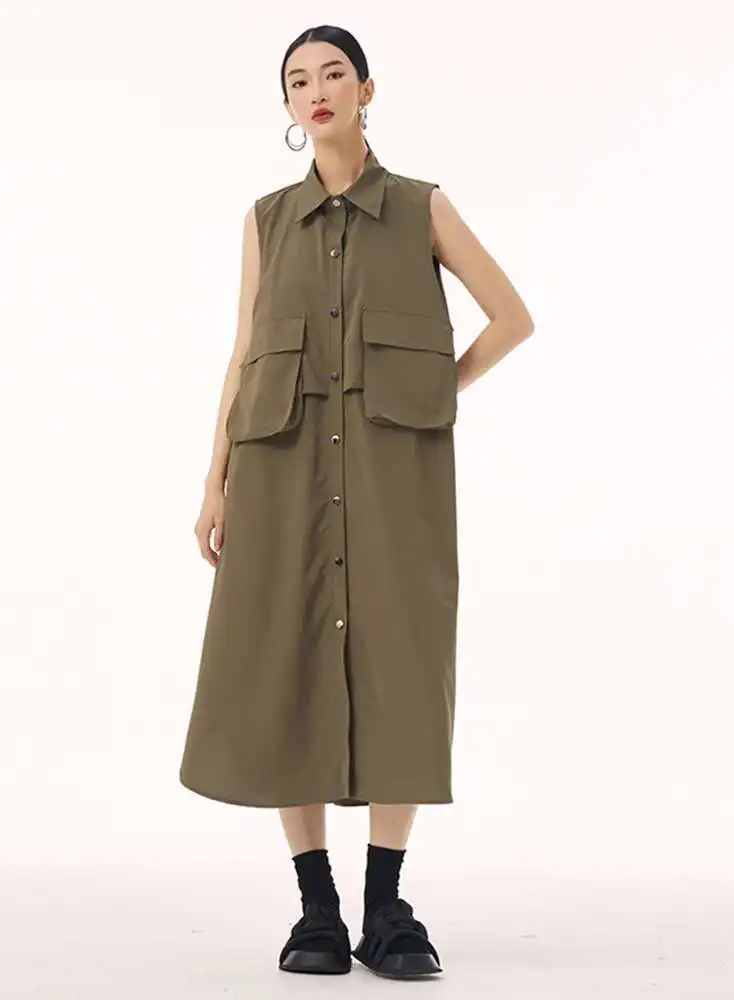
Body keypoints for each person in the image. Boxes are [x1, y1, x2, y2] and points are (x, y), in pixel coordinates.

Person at [179, 24, 534, 979]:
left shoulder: (421, 207)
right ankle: (318, 909)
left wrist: (433, 390)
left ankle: (386, 907)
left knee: (400, 662)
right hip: (280, 470)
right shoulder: (266, 221)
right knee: (283, 660)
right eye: (299, 80)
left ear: (367, 91)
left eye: (334, 73)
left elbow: (512, 317)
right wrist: (214, 480)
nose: (317, 90)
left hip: (394, 473)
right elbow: (246, 352)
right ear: (288, 108)